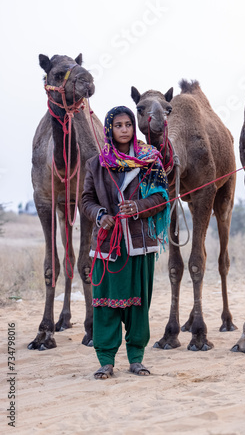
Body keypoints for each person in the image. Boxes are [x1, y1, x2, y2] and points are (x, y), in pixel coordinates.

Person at [82, 106, 170, 379]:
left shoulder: (151, 161)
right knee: (105, 304)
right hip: (107, 246)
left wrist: (138, 207)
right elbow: (86, 200)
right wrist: (100, 215)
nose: (124, 129)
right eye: (118, 125)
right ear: (110, 129)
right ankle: (106, 361)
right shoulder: (96, 164)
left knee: (138, 304)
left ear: (134, 128)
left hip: (140, 242)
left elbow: (161, 198)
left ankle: (136, 359)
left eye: (128, 124)